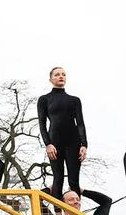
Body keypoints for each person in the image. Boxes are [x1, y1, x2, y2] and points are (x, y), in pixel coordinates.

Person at [37, 67, 88, 197]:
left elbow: (80, 123)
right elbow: (42, 124)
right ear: (50, 79)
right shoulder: (44, 99)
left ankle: (75, 214)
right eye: (57, 74)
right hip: (55, 142)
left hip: (73, 142)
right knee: (58, 178)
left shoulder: (74, 100)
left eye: (63, 74)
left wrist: (84, 144)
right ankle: (58, 214)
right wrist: (48, 144)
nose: (61, 77)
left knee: (74, 180)